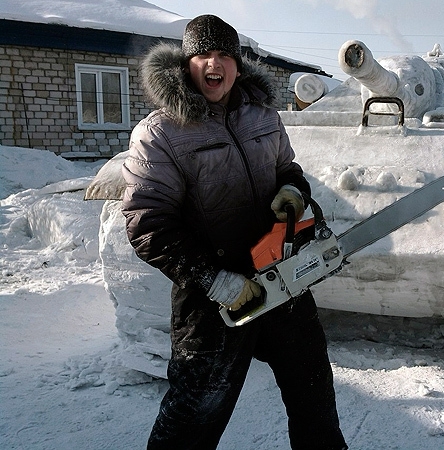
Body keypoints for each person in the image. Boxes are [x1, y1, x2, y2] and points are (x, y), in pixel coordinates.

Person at [121, 14, 348, 450]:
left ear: (237, 65)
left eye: (224, 53)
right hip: (213, 300)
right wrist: (213, 278)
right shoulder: (160, 133)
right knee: (193, 418)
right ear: (186, 63)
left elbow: (288, 169)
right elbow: (147, 223)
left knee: (315, 401)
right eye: (203, 53)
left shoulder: (262, 116)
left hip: (283, 280)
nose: (214, 62)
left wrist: (292, 192)